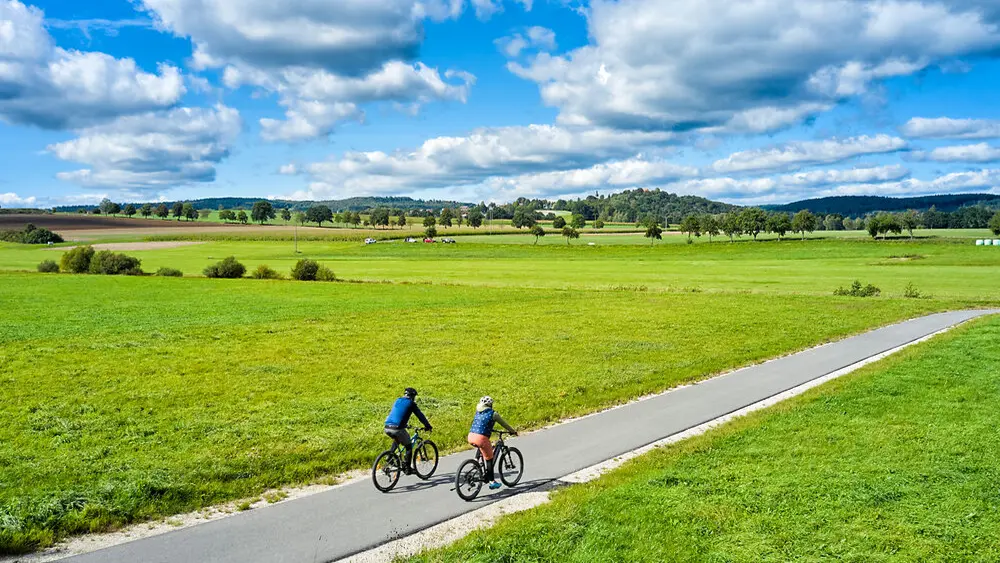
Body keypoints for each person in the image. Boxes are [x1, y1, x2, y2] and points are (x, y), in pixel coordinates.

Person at [467, 396, 516, 490]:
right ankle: (492, 482)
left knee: (483, 446)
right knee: (489, 459)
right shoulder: (493, 414)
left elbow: (481, 424)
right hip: (481, 438)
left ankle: (476, 461)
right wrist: (512, 431)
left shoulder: (478, 412)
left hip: (471, 436)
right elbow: (504, 424)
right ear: (490, 405)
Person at [384, 387, 432, 474]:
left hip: (387, 427)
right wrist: (427, 426)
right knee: (409, 446)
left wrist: (405, 425)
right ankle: (408, 468)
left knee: (397, 439)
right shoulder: (411, 403)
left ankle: (389, 457)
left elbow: (398, 414)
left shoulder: (398, 400)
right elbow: (420, 416)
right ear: (412, 396)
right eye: (414, 397)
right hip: (397, 428)